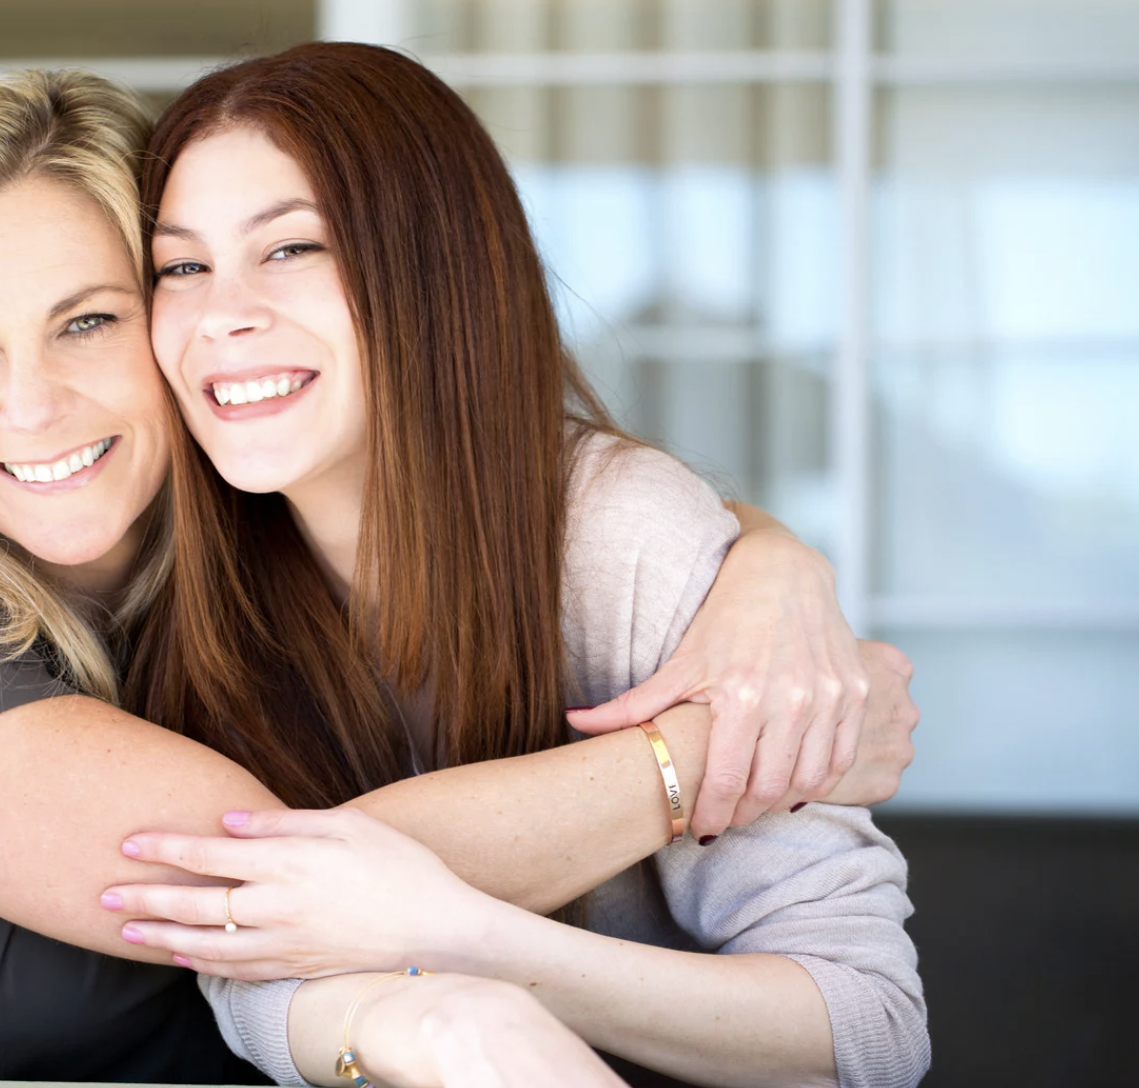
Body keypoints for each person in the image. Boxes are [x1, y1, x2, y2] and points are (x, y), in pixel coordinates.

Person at [0, 66, 915, 1085]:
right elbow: (268, 897)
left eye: (90, 320)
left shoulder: (235, 545)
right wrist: (719, 749)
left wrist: (767, 562)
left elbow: (867, 1025)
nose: (32, 402)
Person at [107, 42, 929, 1088]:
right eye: (181, 265)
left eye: (292, 248)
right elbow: (250, 942)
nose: (222, 313)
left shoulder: (619, 538)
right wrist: (682, 757)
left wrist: (476, 943)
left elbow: (869, 1025)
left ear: (438, 266)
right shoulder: (167, 571)